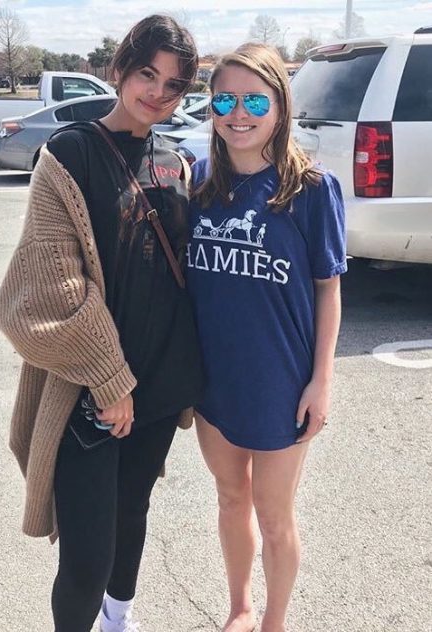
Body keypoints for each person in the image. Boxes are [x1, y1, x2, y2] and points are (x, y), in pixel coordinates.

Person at [0, 15, 204, 632]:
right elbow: (50, 285)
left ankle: (119, 620)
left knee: (133, 512)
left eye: (174, 85)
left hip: (160, 384)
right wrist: (109, 379)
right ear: (119, 69)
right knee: (86, 556)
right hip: (93, 390)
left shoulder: (174, 161)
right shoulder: (70, 154)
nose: (158, 93)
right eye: (147, 74)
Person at [186, 43, 347, 632]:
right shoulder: (199, 181)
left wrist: (321, 381)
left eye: (255, 101)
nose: (238, 114)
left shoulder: (311, 188)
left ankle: (274, 623)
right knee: (231, 498)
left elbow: (328, 289)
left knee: (275, 517)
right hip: (214, 381)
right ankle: (240, 607)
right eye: (224, 100)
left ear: (280, 106)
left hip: (280, 384)